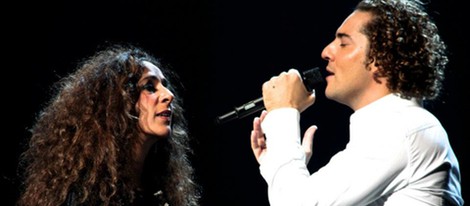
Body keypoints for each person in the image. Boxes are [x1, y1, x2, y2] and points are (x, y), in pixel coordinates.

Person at [250, 0, 463, 205]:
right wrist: (278, 165)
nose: (326, 52)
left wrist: (284, 112)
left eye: (343, 43)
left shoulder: (403, 129)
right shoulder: (399, 128)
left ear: (382, 58)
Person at [17, 44, 200, 206]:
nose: (169, 95)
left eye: (165, 85)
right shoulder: (83, 194)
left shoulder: (159, 189)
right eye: (150, 87)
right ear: (120, 103)